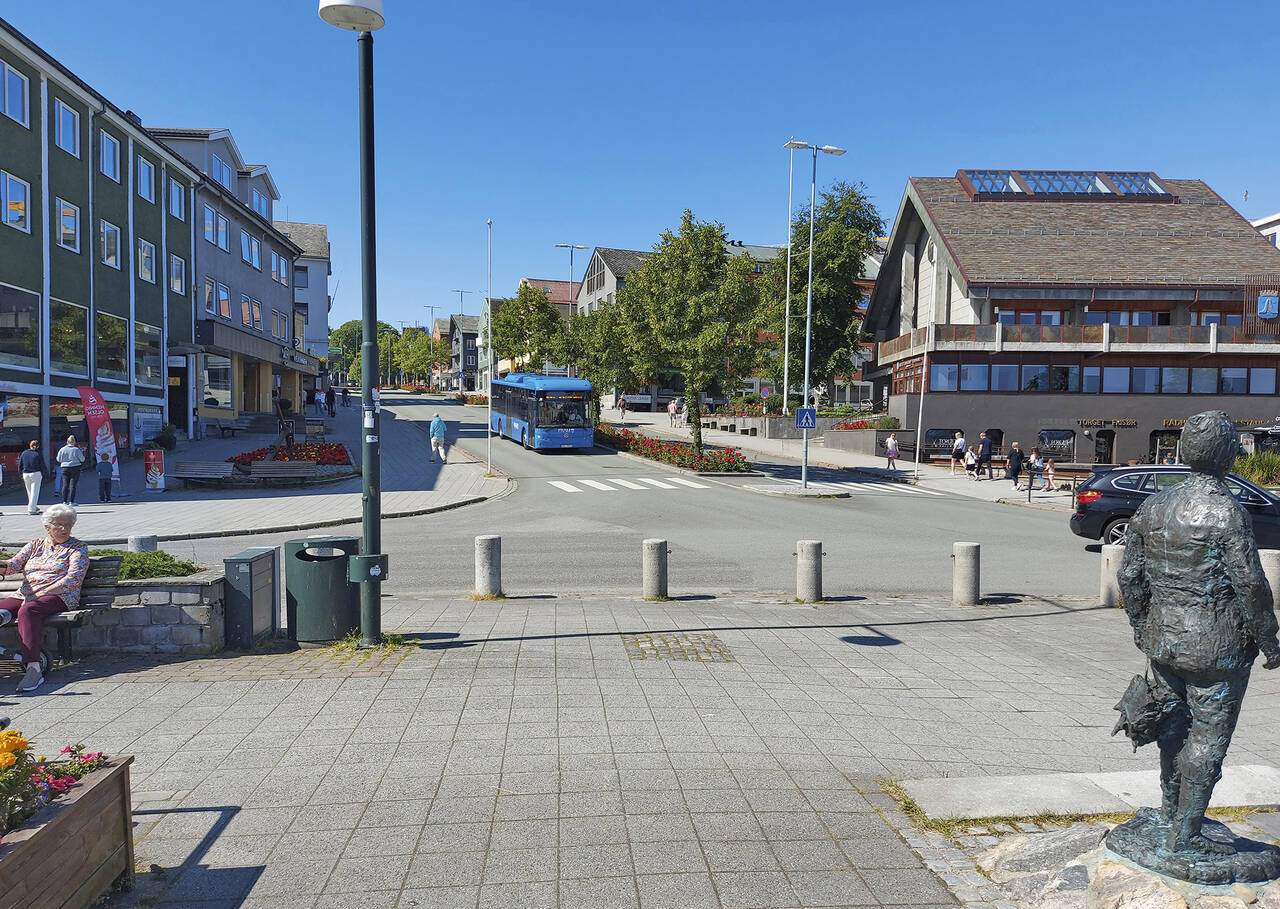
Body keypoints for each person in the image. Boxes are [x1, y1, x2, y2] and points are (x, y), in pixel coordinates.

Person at [1116, 411, 1280, 857]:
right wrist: (1270, 641)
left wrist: (1141, 625)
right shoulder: (1227, 511)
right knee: (1207, 737)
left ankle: (1173, 812)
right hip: (1215, 646)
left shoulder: (1154, 506)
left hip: (1164, 640)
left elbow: (1129, 575)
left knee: (1172, 730)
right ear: (1227, 455)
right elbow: (1250, 584)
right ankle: (1185, 835)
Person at [0, 504, 89, 692]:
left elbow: (73, 579)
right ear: (47, 526)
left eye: (68, 525)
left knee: (28, 610)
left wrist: (43, 593)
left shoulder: (77, 548)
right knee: (4, 610)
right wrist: (2, 565)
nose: (64, 529)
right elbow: (12, 565)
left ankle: (33, 669)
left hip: (61, 596)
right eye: (59, 525)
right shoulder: (35, 545)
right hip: (26, 594)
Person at [55, 436, 85, 506]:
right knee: (73, 485)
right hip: (75, 467)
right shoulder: (76, 449)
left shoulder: (62, 449)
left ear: (67, 442)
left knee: (65, 485)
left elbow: (58, 459)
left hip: (64, 467)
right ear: (74, 442)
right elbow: (82, 459)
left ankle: (64, 501)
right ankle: (72, 501)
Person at [19, 440, 47, 516]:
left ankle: (34, 506)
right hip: (36, 473)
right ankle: (31, 509)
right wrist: (45, 473)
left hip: (26, 474)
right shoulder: (37, 454)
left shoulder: (24, 453)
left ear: (30, 445)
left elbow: (20, 465)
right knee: (35, 492)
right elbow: (42, 465)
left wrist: (20, 473)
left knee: (30, 492)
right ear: (37, 446)